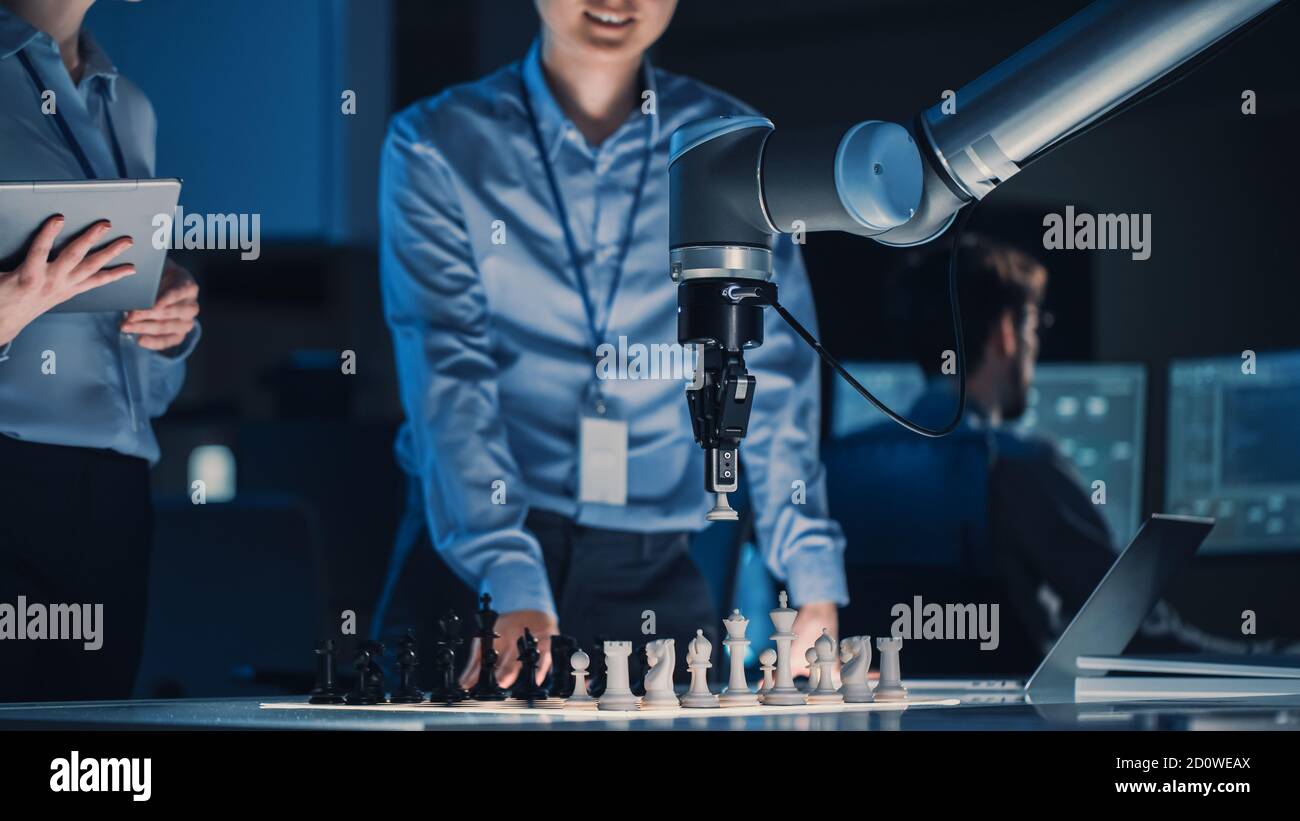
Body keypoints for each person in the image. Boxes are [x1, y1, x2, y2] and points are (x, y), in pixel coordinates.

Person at [375, 0, 846, 689]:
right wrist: (512, 580)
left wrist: (811, 579)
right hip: (473, 566)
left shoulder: (732, 143)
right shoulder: (434, 144)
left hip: (655, 578)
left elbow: (772, 382)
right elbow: (450, 382)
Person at [0, 0, 201, 701]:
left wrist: (168, 325)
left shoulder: (130, 104)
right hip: (12, 476)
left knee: (89, 749)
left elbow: (146, 386)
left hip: (115, 494)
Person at [888, 236, 1115, 653]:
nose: (1035, 346)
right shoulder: (1021, 464)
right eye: (1032, 326)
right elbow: (1126, 624)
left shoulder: (837, 466)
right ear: (1008, 332)